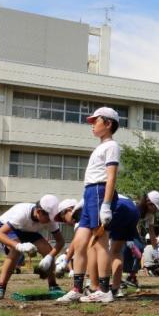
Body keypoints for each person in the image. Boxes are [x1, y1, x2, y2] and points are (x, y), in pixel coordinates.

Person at [58, 107, 121, 304]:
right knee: (80, 243)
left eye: (96, 121)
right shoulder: (100, 147)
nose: (92, 125)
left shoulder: (112, 146)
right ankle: (77, 288)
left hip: (99, 192)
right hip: (90, 193)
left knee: (101, 243)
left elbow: (111, 177)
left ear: (108, 123)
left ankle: (104, 289)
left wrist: (106, 205)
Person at [0, 195, 64, 299]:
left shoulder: (50, 219)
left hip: (29, 230)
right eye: (48, 218)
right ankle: (1, 287)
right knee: (15, 251)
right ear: (39, 212)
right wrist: (19, 246)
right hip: (7, 228)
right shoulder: (22, 214)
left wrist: (49, 257)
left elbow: (60, 241)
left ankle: (53, 285)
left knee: (47, 249)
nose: (50, 221)